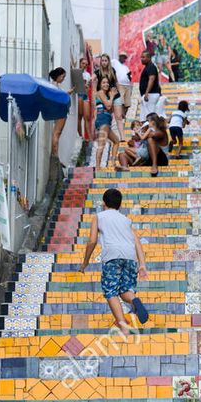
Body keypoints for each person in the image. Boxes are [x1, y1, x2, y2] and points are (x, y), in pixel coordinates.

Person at [81, 187, 149, 336]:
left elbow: (92, 241)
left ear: (104, 203)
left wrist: (85, 262)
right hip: (130, 256)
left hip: (112, 255)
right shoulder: (125, 220)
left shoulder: (99, 217)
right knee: (125, 290)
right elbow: (137, 241)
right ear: (120, 205)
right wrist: (142, 264)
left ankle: (124, 328)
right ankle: (134, 300)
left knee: (110, 291)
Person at [93, 76, 119, 166]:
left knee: (116, 141)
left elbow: (110, 110)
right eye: (103, 82)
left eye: (107, 82)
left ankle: (112, 163)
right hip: (103, 120)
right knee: (102, 144)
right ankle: (97, 167)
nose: (106, 84)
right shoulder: (100, 93)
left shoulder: (106, 95)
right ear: (100, 84)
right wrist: (111, 97)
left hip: (106, 120)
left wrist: (111, 97)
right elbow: (108, 106)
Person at [98, 55, 125, 139]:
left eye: (106, 60)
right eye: (102, 60)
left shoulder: (112, 70)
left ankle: (122, 137)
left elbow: (116, 82)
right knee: (107, 117)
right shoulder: (98, 72)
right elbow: (94, 83)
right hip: (105, 97)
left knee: (118, 117)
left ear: (108, 62)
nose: (104, 62)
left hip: (115, 95)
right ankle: (109, 137)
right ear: (100, 62)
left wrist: (121, 94)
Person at [48, 67, 70, 158]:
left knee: (57, 133)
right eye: (63, 77)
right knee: (57, 133)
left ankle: (56, 154)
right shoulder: (54, 85)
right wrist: (66, 93)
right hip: (60, 111)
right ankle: (55, 154)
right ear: (58, 76)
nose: (63, 79)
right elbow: (57, 98)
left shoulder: (55, 85)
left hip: (60, 111)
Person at [139, 50, 162, 121]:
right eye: (141, 57)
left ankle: (152, 131)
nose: (141, 59)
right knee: (145, 116)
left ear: (149, 58)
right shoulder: (148, 67)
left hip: (150, 94)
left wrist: (146, 92)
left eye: (143, 57)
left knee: (150, 117)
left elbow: (151, 79)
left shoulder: (151, 67)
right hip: (149, 94)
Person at [112, 51, 133, 126]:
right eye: (122, 56)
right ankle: (120, 118)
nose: (123, 58)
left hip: (127, 86)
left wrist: (131, 87)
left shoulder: (126, 68)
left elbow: (130, 77)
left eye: (124, 57)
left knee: (127, 104)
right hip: (120, 85)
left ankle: (123, 116)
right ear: (119, 56)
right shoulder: (115, 62)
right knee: (121, 102)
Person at [76, 54, 93, 140]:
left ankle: (89, 137)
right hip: (79, 94)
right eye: (83, 63)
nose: (85, 65)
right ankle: (80, 136)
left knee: (87, 116)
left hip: (85, 95)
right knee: (79, 116)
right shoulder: (77, 72)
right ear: (80, 63)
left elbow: (88, 86)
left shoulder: (87, 74)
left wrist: (86, 85)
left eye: (86, 64)